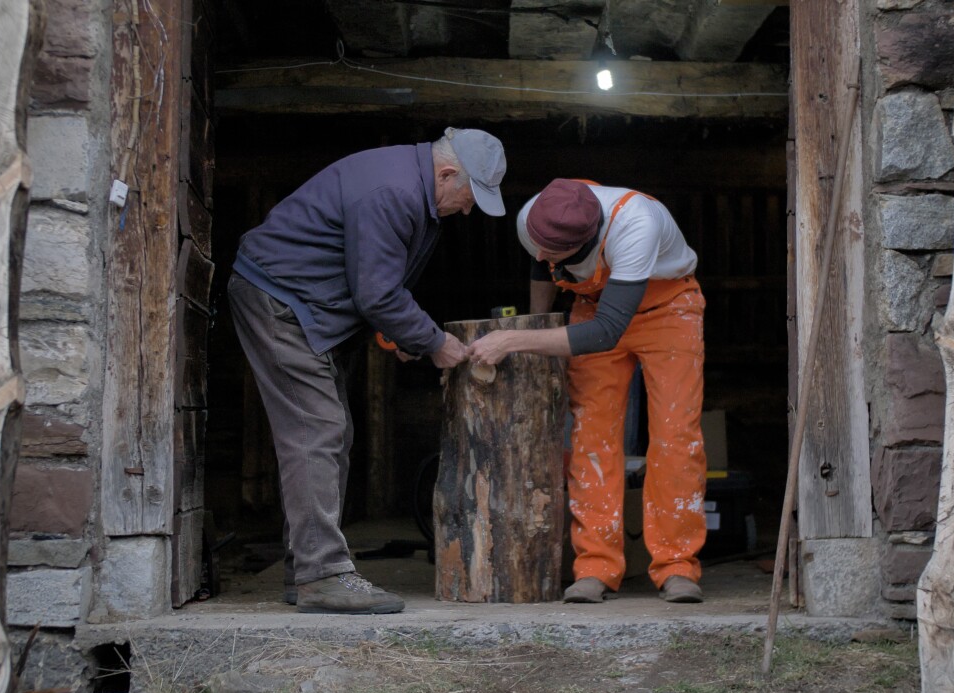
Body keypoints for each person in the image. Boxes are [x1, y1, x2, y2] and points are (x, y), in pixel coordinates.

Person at [227, 128, 506, 614]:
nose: (468, 210)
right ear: (446, 173)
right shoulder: (394, 192)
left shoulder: (409, 187)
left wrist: (398, 332)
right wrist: (432, 341)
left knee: (332, 431)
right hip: (280, 299)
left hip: (307, 302)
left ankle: (307, 568)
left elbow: (370, 280)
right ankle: (323, 576)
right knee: (318, 429)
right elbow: (376, 294)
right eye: (470, 197)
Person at [468, 178, 707, 604]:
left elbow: (606, 334)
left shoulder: (636, 224)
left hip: (666, 308)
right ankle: (595, 566)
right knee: (590, 437)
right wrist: (536, 325)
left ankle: (676, 566)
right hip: (592, 304)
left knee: (676, 436)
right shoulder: (536, 215)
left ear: (589, 240)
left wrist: (512, 341)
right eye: (537, 244)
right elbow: (538, 264)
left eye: (553, 253)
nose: (541, 255)